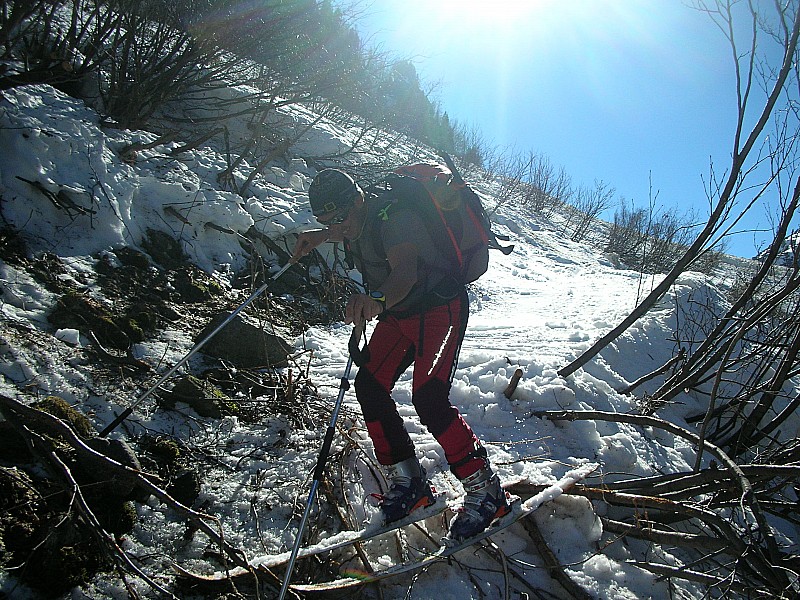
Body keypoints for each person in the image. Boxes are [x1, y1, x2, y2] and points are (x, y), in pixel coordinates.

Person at [291, 168, 511, 541]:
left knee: (429, 399)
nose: (336, 226)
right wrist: (320, 235)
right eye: (327, 220)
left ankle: (485, 489)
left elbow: (406, 270)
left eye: (339, 216)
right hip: (402, 313)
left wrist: (376, 301)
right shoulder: (355, 222)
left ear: (357, 200)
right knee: (369, 386)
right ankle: (410, 482)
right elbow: (347, 230)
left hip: (440, 310)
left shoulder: (396, 220)